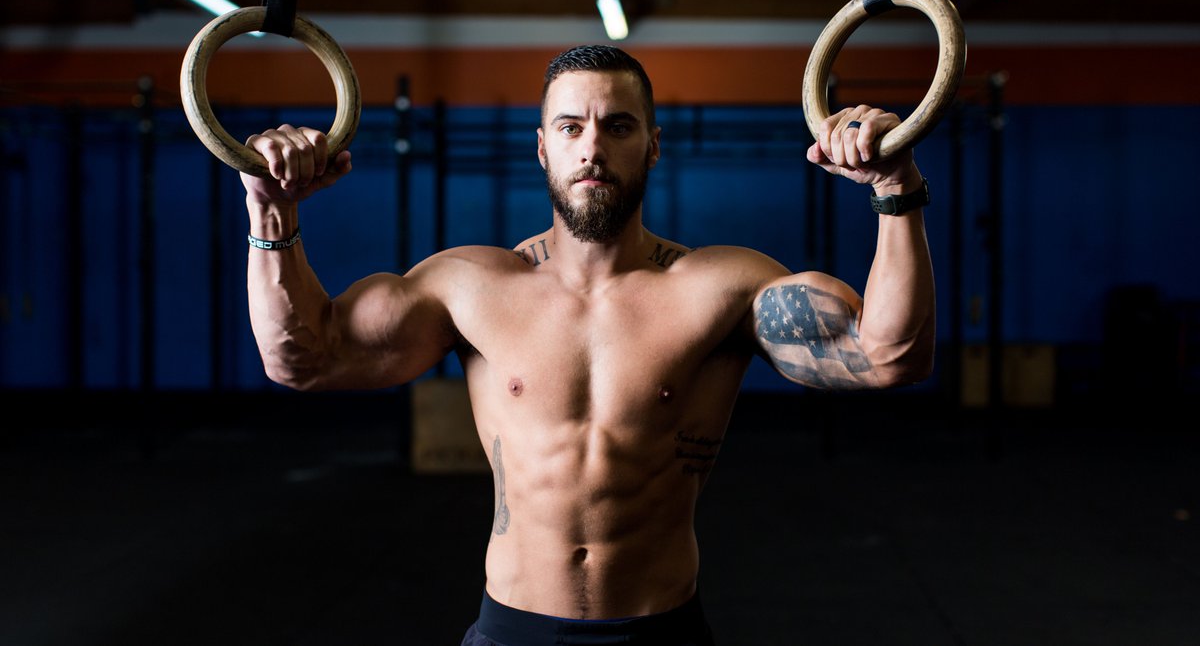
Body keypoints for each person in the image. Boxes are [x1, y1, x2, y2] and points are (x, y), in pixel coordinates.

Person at [240, 44, 935, 645]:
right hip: (514, 631)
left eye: (618, 126)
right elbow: (303, 357)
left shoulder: (719, 288)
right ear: (543, 146)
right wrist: (272, 212)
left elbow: (889, 355)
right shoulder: (472, 286)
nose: (592, 147)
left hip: (660, 629)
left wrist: (894, 188)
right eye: (570, 126)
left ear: (653, 145)